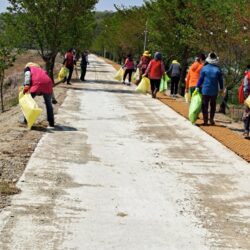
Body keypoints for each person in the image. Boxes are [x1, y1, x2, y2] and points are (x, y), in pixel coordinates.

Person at [22, 62, 54, 127]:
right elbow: (49, 84)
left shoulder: (28, 69)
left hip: (37, 84)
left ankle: (26, 120)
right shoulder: (41, 70)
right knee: (49, 104)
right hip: (48, 84)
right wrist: (53, 98)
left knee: (28, 102)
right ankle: (51, 122)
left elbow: (27, 78)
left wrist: (25, 90)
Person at [196, 52, 224, 126]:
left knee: (204, 106)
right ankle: (211, 120)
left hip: (205, 90)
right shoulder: (218, 69)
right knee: (213, 105)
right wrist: (221, 89)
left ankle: (205, 121)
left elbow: (200, 79)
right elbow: (221, 81)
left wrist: (197, 87)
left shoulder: (204, 68)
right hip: (214, 91)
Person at [242, 65, 250, 138]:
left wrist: (245, 97)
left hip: (248, 97)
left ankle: (246, 131)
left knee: (247, 113)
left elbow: (246, 87)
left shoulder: (247, 76)